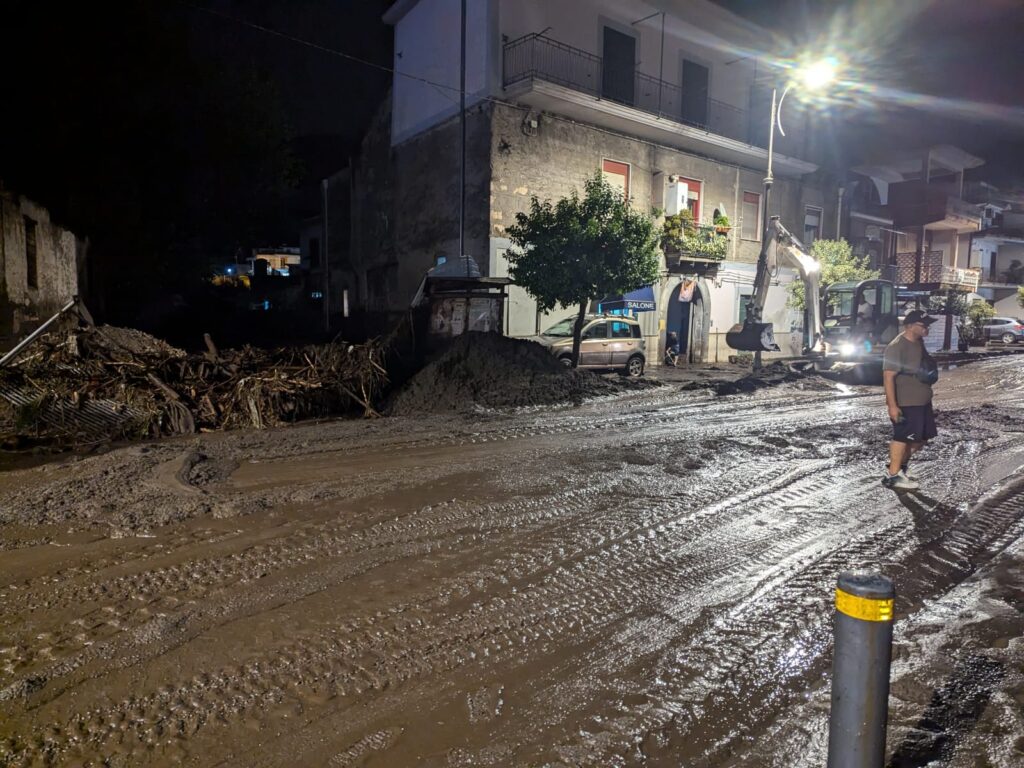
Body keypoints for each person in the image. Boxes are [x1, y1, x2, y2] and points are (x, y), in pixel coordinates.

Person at [881, 310, 938, 490]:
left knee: (920, 439)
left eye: (927, 325)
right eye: (923, 325)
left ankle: (899, 467)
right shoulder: (897, 346)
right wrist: (892, 406)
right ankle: (893, 476)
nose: (927, 328)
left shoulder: (918, 342)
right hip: (906, 401)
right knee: (902, 437)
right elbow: (888, 377)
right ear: (909, 326)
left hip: (922, 400)